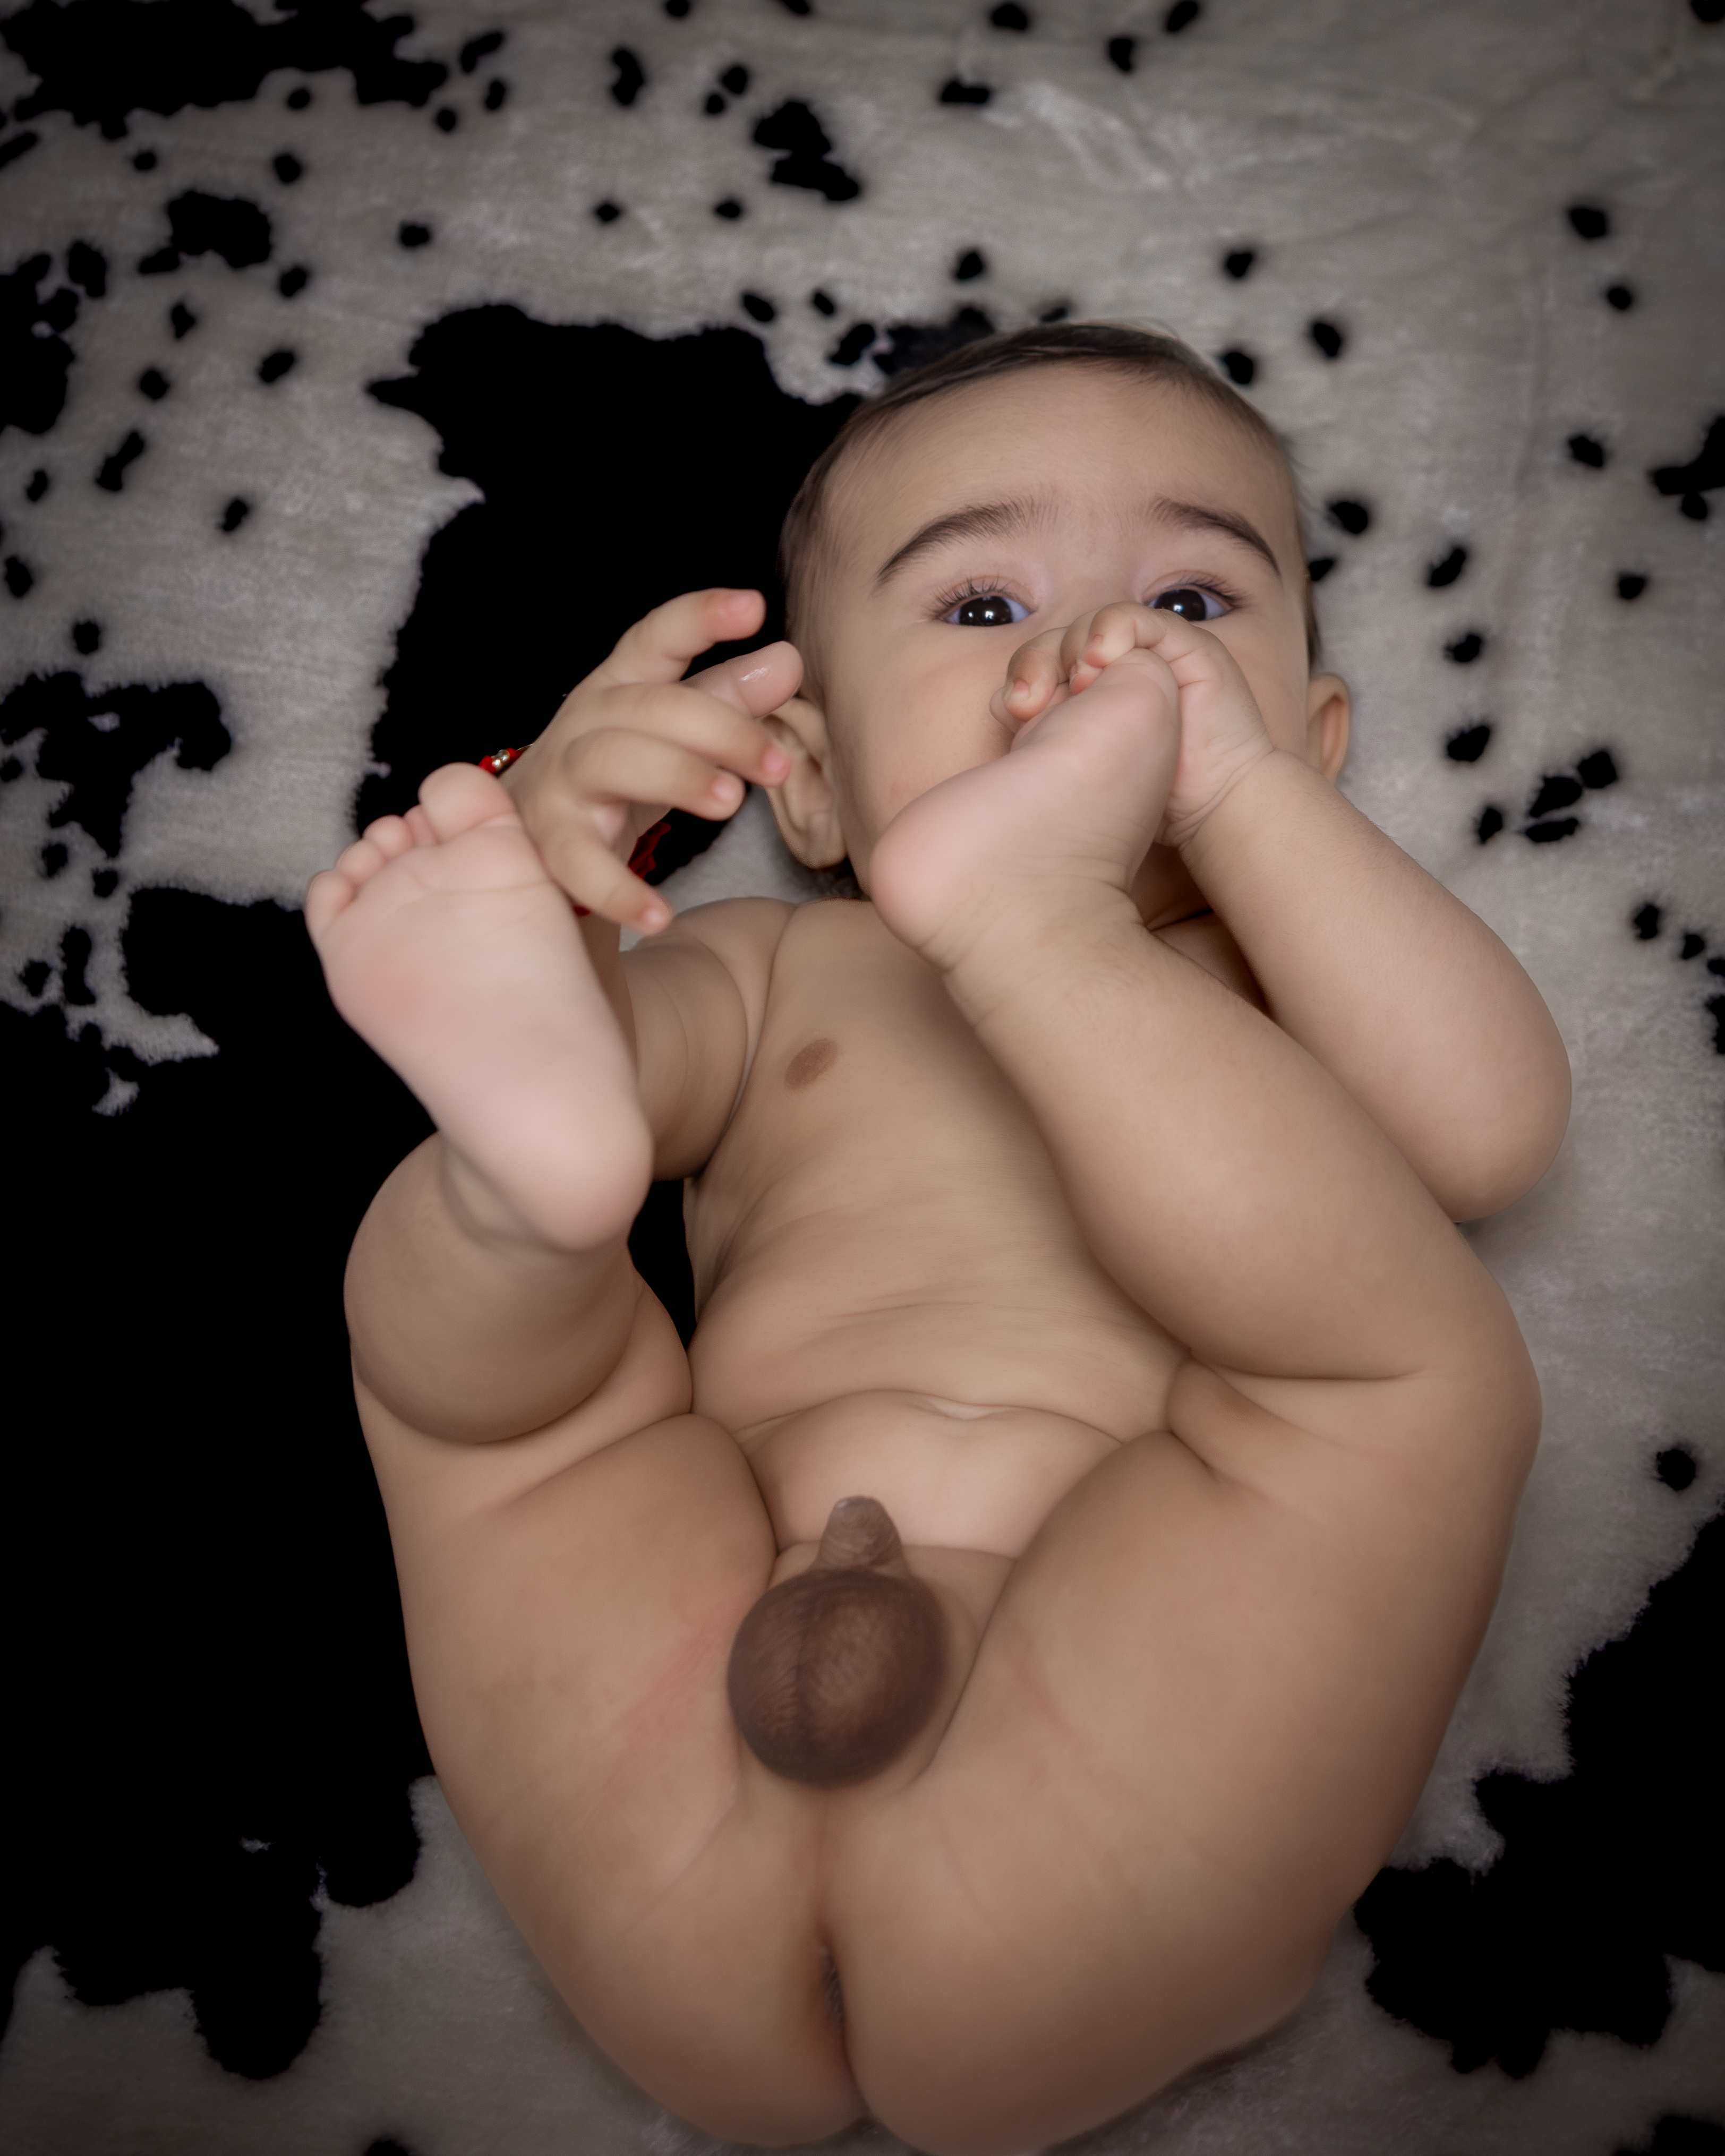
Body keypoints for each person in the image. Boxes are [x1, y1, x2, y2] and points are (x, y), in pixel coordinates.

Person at [305, 323, 1569, 2155]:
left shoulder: (1284, 993)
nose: (1092, 650)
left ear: (1314, 743)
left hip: (1107, 1709)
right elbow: (628, 1065)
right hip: (667, 1651)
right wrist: (565, 892)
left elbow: (1482, 1129)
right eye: (982, 605)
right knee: (511, 1391)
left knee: (1404, 1375)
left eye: (1192, 600)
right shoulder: (773, 962)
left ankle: (1020, 939)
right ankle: (520, 1175)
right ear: (809, 783)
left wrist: (1243, 816)